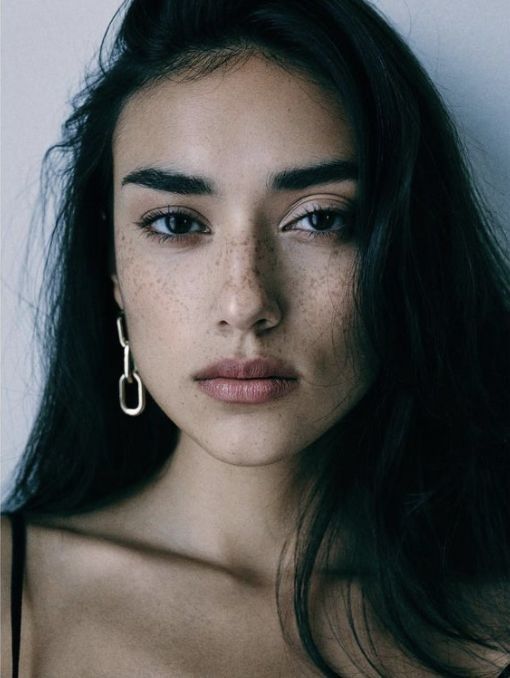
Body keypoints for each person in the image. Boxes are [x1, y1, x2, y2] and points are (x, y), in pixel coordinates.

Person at [2, 0, 509, 676]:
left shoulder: (490, 620)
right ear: (112, 270)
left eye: (318, 219)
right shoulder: (16, 603)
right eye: (178, 224)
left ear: (406, 250)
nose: (246, 304)